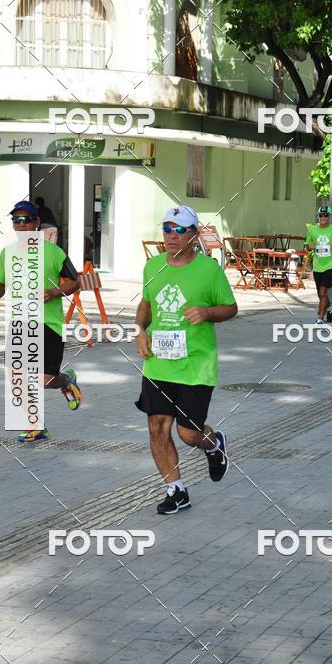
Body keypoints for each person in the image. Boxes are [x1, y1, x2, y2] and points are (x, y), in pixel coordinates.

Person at [134, 205, 238, 515]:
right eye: (167, 229)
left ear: (193, 235)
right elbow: (146, 304)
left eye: (179, 230)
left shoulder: (209, 270)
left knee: (188, 433)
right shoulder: (152, 267)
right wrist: (140, 330)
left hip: (195, 365)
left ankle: (214, 443)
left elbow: (230, 308)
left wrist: (207, 312)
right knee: (157, 427)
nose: (171, 236)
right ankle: (176, 490)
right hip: (159, 363)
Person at [0, 200, 82, 442]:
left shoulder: (53, 252)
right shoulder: (7, 253)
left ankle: (66, 380)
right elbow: (1, 283)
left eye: (25, 220)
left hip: (48, 323)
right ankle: (35, 424)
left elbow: (75, 281)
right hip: (19, 321)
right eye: (15, 220)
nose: (20, 224)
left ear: (36, 223)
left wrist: (53, 293)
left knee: (44, 379)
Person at [305, 206, 332, 324]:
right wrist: (310, 246)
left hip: (331, 264)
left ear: (329, 217)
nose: (323, 217)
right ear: (318, 216)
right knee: (320, 294)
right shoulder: (312, 230)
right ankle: (330, 305)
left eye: (325, 215)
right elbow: (307, 245)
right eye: (321, 215)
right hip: (318, 265)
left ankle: (320, 319)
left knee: (322, 292)